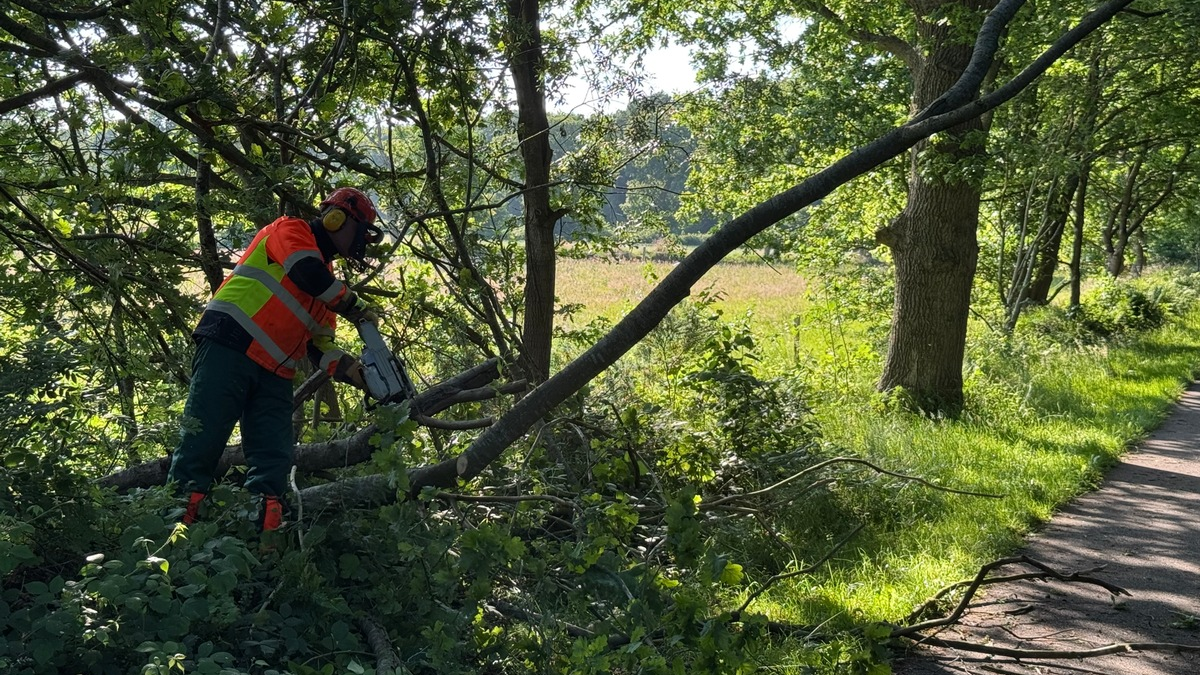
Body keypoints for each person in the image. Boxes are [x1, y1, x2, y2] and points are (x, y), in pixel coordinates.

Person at [167, 187, 383, 531]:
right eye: (359, 232)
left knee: (273, 465)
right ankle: (173, 536)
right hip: (229, 344)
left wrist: (358, 373)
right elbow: (306, 274)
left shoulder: (326, 290)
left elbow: (320, 347)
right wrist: (355, 307)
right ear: (336, 218)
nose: (359, 243)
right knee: (201, 446)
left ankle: (261, 548)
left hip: (276, 373)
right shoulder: (290, 231)